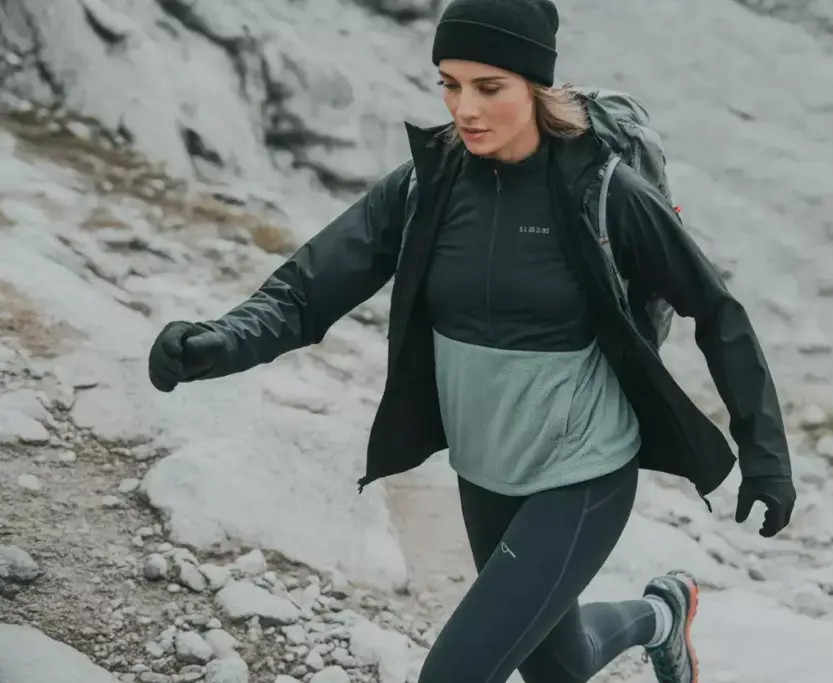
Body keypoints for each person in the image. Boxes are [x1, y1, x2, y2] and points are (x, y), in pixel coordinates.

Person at [146, 0, 796, 680]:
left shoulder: (605, 191)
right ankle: (662, 613)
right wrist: (219, 342)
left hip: (584, 470)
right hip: (485, 466)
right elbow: (311, 287)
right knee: (559, 664)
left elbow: (715, 309)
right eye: (450, 84)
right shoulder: (429, 185)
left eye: (489, 87)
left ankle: (657, 611)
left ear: (536, 87)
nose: (465, 109)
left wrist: (765, 453)